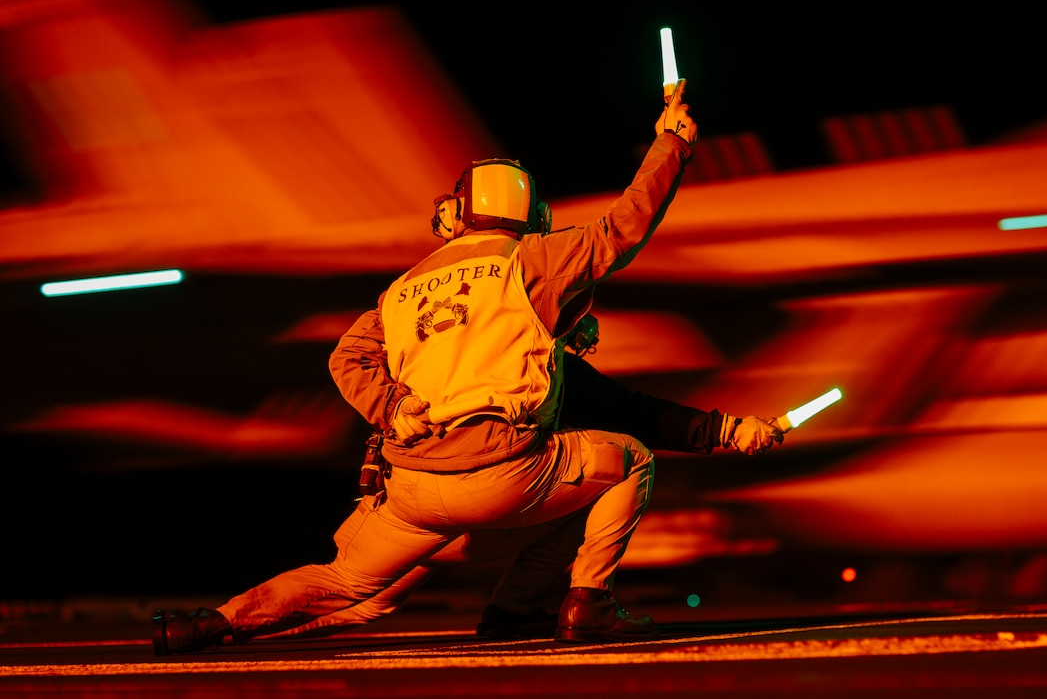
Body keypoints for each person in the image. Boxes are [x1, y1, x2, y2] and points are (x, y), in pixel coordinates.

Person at [151, 88, 699, 655]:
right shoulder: (535, 260)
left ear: (456, 213)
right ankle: (588, 604)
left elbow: (347, 356)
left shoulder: (404, 287)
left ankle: (206, 623)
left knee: (345, 581)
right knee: (629, 459)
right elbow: (624, 226)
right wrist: (671, 144)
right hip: (502, 471)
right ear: (532, 214)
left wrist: (390, 407)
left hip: (411, 485)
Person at [261, 325, 785, 641]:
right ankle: (563, 605)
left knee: (359, 596)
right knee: (616, 468)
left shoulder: (431, 355)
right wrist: (726, 431)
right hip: (479, 509)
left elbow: (350, 359)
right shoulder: (539, 367)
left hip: (415, 503)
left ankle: (211, 625)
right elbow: (634, 414)